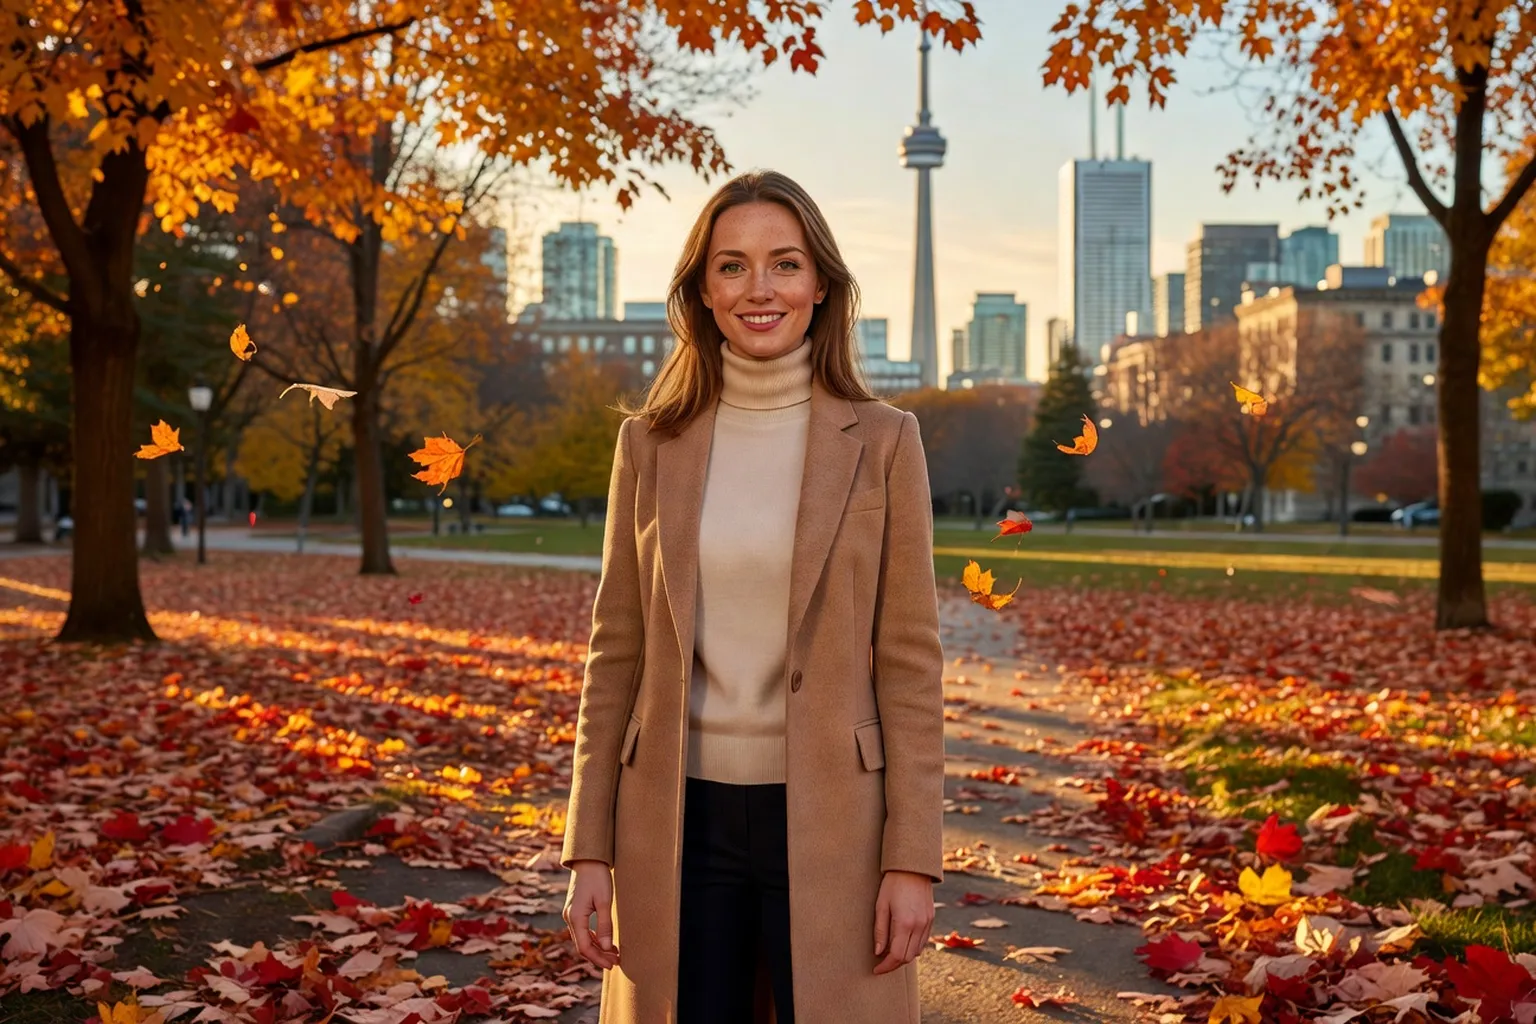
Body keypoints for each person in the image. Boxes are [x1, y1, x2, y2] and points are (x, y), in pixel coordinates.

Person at [561, 170, 946, 1024]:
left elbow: (913, 666)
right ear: (703, 290)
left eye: (785, 263)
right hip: (673, 817)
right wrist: (589, 849)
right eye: (733, 266)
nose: (760, 289)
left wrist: (912, 858)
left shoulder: (884, 442)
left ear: (821, 285)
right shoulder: (649, 444)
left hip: (836, 822)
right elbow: (613, 652)